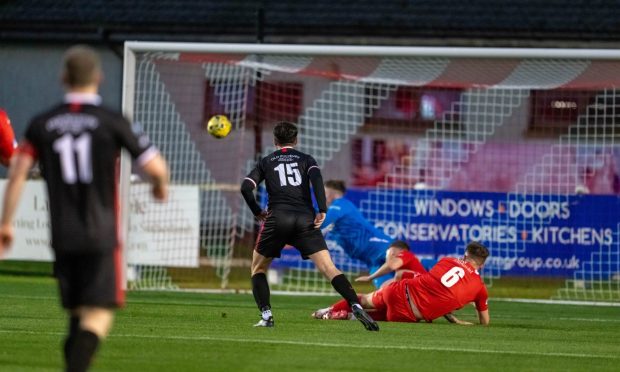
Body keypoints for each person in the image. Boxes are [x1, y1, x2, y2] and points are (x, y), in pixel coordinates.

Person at [0, 45, 169, 372]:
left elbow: (18, 170)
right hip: (101, 233)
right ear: (99, 78)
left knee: (78, 316)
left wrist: (6, 224)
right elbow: (157, 168)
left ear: (64, 77)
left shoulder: (42, 123)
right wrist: (160, 187)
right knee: (98, 316)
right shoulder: (112, 120)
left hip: (62, 235)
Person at [240, 121, 378, 331]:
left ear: (275, 141)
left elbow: (245, 188)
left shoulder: (266, 162)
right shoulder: (306, 160)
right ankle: (355, 304)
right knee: (328, 268)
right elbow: (317, 180)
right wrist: (322, 209)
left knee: (258, 268)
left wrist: (257, 211)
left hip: (277, 218)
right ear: (296, 140)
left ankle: (267, 316)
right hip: (305, 219)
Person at [313, 241, 490, 326]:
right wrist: (457, 320)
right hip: (407, 314)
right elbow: (484, 321)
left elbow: (435, 287)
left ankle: (327, 311)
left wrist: (370, 277)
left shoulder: (447, 260)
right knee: (379, 317)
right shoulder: (480, 289)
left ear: (465, 255)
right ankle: (346, 316)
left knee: (364, 300)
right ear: (482, 264)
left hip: (397, 290)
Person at [322, 180, 427, 288]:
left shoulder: (340, 204)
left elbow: (322, 222)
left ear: (331, 194)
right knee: (386, 292)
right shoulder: (335, 209)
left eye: (324, 193)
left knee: (424, 267)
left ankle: (441, 268)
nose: (321, 197)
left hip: (383, 248)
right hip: (372, 261)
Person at [354, 240, 426, 287]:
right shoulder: (402, 259)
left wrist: (389, 255)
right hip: (416, 284)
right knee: (385, 285)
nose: (388, 252)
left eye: (390, 250)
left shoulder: (406, 253)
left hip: (423, 285)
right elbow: (388, 266)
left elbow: (391, 266)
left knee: (400, 274)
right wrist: (370, 278)